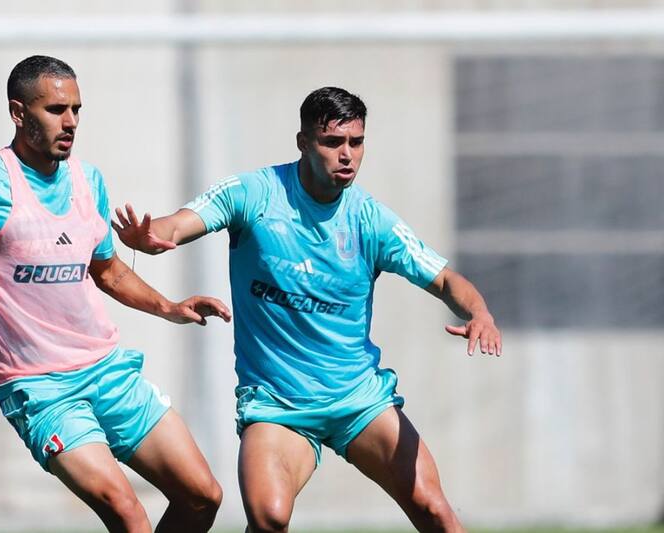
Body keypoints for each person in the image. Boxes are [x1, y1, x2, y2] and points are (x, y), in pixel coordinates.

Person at [112, 86, 503, 532]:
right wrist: (152, 237)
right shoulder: (255, 194)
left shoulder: (370, 220)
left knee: (435, 511)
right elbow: (179, 223)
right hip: (279, 405)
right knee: (269, 517)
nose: (347, 155)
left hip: (358, 399)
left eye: (356, 142)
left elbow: (447, 279)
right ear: (303, 142)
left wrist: (479, 313)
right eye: (332, 142)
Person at [0, 55, 231, 533]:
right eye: (55, 110)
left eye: (76, 109)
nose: (70, 122)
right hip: (41, 389)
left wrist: (169, 307)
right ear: (18, 112)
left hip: (109, 371)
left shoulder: (88, 180)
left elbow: (107, 271)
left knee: (202, 496)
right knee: (128, 514)